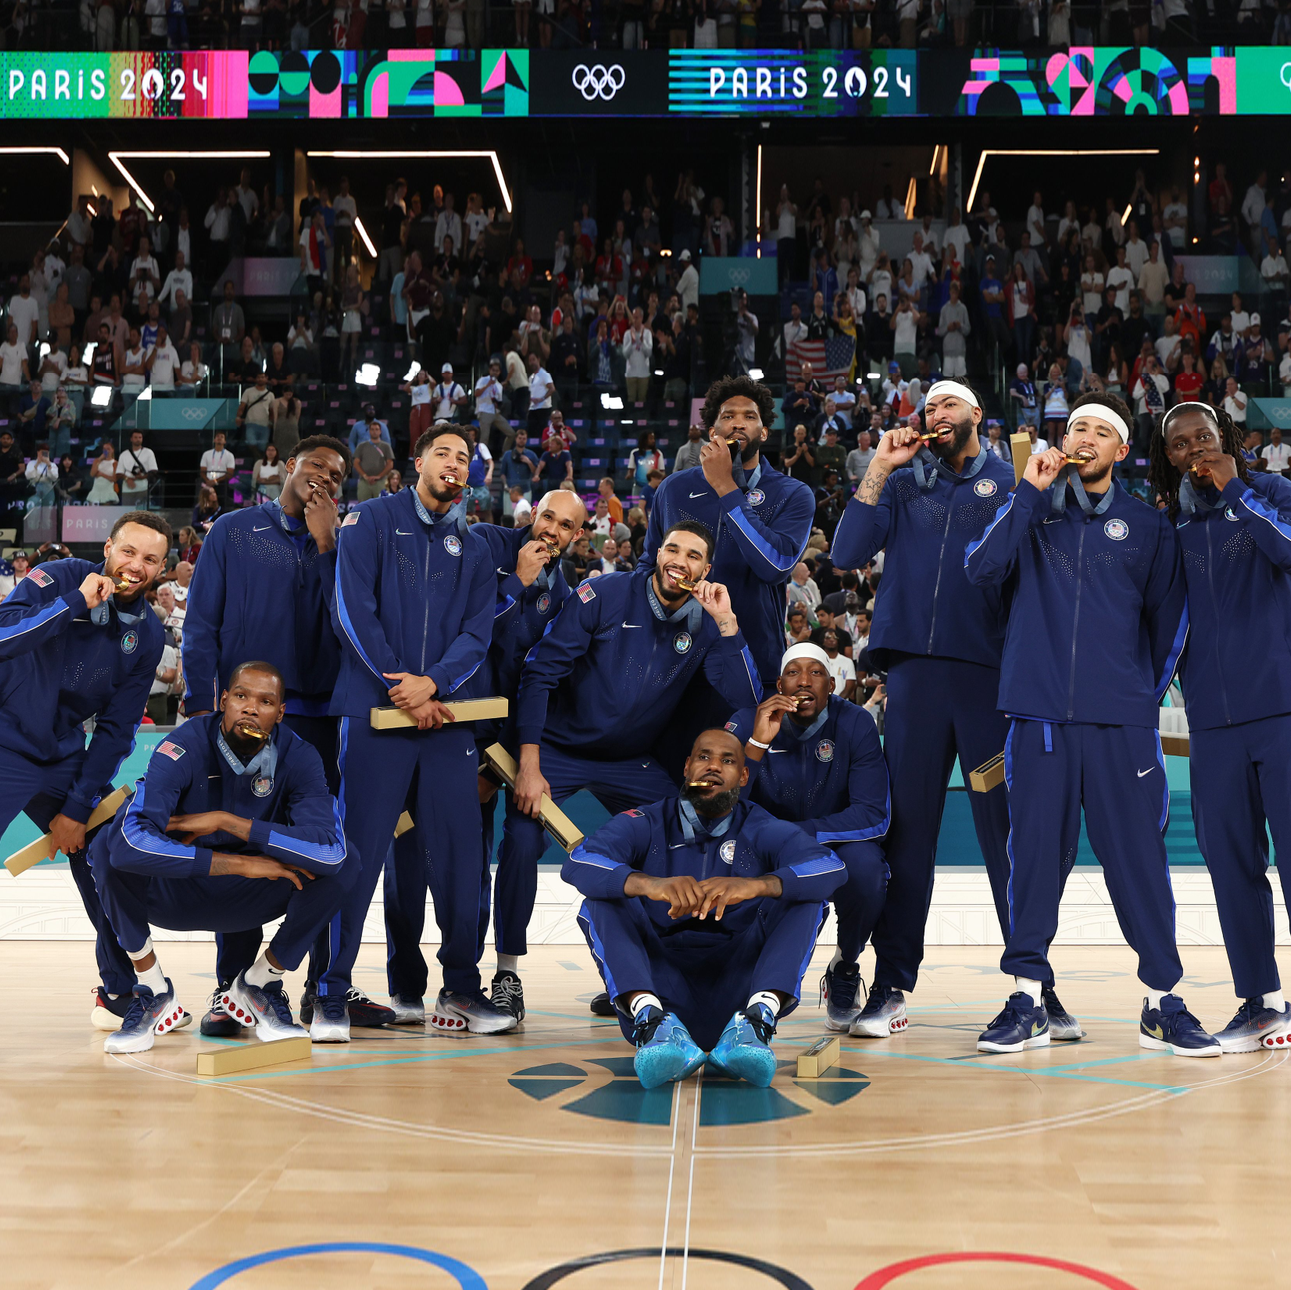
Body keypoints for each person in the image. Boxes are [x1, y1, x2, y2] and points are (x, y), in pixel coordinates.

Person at [964, 392, 1215, 1057]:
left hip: (1119, 726)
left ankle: (1162, 1000)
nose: (1085, 439)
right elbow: (980, 571)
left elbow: (1169, 628)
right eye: (1076, 427)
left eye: (1101, 432)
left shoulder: (1147, 526)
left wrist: (1135, 700)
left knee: (1137, 861)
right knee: (1034, 860)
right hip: (1038, 719)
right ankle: (1025, 996)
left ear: (1120, 451)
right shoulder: (1027, 511)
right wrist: (1024, 494)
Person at [828, 379, 1062, 1038]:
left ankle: (1032, 986)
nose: (935, 413)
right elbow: (845, 554)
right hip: (913, 686)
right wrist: (878, 465)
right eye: (928, 405)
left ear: (977, 417)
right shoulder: (903, 484)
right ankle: (892, 984)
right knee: (909, 839)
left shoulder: (1013, 480)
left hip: (989, 685)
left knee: (1004, 836)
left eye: (948, 404)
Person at [508, 522, 764, 1012]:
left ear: (705, 571)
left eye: (693, 556)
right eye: (672, 549)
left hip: (632, 759)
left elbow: (747, 699)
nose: (680, 561)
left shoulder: (708, 623)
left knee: (683, 837)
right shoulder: (604, 593)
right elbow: (539, 673)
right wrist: (530, 760)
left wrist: (728, 624)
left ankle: (640, 976)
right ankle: (507, 973)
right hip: (560, 748)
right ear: (657, 554)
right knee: (521, 838)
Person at [324, 423, 511, 1040]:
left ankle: (460, 988)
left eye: (465, 458)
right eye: (444, 454)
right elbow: (351, 609)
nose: (455, 465)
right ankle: (330, 990)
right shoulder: (369, 521)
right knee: (358, 855)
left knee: (462, 858)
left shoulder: (477, 547)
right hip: (375, 714)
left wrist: (432, 685)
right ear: (419, 461)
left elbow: (477, 634)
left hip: (441, 717)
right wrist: (395, 680)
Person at [180, 438, 365, 1033]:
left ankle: (312, 987)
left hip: (314, 717)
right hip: (239, 716)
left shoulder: (340, 540)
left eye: (336, 475)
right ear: (288, 466)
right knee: (235, 849)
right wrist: (197, 698)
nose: (324, 479)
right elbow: (202, 621)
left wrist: (326, 542)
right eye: (315, 466)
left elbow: (349, 625)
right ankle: (231, 989)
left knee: (309, 848)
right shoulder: (233, 530)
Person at [383, 490, 588, 1022]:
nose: (552, 531)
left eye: (566, 526)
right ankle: (405, 986)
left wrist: (503, 767)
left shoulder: (566, 597)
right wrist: (513, 582)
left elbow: (538, 682)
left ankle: (462, 985)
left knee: (468, 867)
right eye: (548, 517)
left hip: (492, 742)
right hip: (435, 717)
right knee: (407, 853)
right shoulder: (481, 545)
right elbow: (451, 626)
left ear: (576, 537)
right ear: (531, 516)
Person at [88, 662, 351, 1054]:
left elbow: (330, 851)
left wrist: (230, 823)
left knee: (348, 867)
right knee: (105, 848)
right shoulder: (184, 744)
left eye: (265, 701)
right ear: (223, 701)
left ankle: (261, 980)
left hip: (252, 895)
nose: (250, 708)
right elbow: (130, 839)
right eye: (241, 696)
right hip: (182, 889)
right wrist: (242, 862)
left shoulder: (300, 756)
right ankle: (152, 990)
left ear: (279, 714)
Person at [564, 727, 845, 1089]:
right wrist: (650, 884)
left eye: (727, 760)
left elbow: (830, 867)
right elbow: (579, 862)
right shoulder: (647, 821)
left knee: (806, 897)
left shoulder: (760, 825)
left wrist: (756, 885)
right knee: (601, 900)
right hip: (663, 987)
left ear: (743, 776)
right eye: (704, 757)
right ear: (687, 768)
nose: (713, 767)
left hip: (736, 993)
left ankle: (756, 1024)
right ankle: (652, 1025)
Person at [1149, 403, 1291, 1050]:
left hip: (1282, 710)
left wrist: (1235, 489)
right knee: (1230, 865)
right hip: (1210, 726)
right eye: (1180, 445)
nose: (1194, 450)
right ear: (1169, 457)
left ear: (1225, 439)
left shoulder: (1268, 492)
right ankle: (1259, 1001)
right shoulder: (1166, 526)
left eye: (1203, 437)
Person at [0, 512, 172, 1032]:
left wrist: (77, 808)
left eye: (150, 559)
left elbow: (119, 730)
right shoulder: (60, 576)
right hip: (4, 741)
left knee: (105, 857)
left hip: (61, 756)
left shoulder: (148, 634)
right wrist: (75, 604)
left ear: (163, 567)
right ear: (107, 548)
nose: (135, 567)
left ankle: (120, 991)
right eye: (127, 552)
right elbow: (4, 637)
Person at [725, 644, 889, 1029]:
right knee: (725, 854)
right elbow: (720, 807)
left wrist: (798, 834)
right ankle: (730, 974)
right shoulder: (749, 720)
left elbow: (873, 815)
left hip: (830, 845)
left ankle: (845, 966)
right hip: (767, 849)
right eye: (794, 672)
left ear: (831, 684)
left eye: (815, 672)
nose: (803, 680)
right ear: (779, 683)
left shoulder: (855, 723)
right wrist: (758, 744)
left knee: (867, 868)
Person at [643, 376, 815, 693]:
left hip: (755, 655)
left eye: (750, 417)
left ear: (764, 432)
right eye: (728, 416)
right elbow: (647, 566)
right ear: (712, 432)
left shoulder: (792, 493)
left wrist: (726, 485)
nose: (738, 424)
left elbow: (775, 565)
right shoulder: (674, 487)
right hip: (676, 655)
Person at [117, 430, 157, 509]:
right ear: (131, 439)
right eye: (135, 437)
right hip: (127, 489)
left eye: (140, 437)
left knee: (142, 513)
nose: (138, 439)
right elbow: (118, 473)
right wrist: (127, 479)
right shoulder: (124, 454)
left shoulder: (148, 452)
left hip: (143, 488)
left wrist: (142, 477)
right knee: (127, 513)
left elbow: (154, 470)